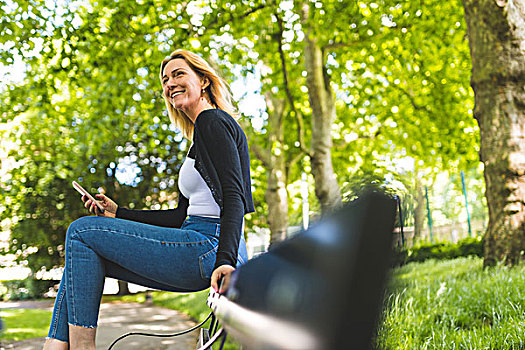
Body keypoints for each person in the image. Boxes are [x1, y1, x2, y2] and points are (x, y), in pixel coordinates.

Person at [43, 49, 254, 350]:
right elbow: (179, 217)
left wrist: (225, 261)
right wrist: (118, 213)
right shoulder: (200, 136)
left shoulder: (212, 121)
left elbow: (235, 196)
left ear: (204, 81)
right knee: (84, 253)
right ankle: (53, 347)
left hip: (212, 247)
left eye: (179, 74)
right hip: (197, 242)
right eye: (165, 79)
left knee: (81, 232)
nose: (170, 83)